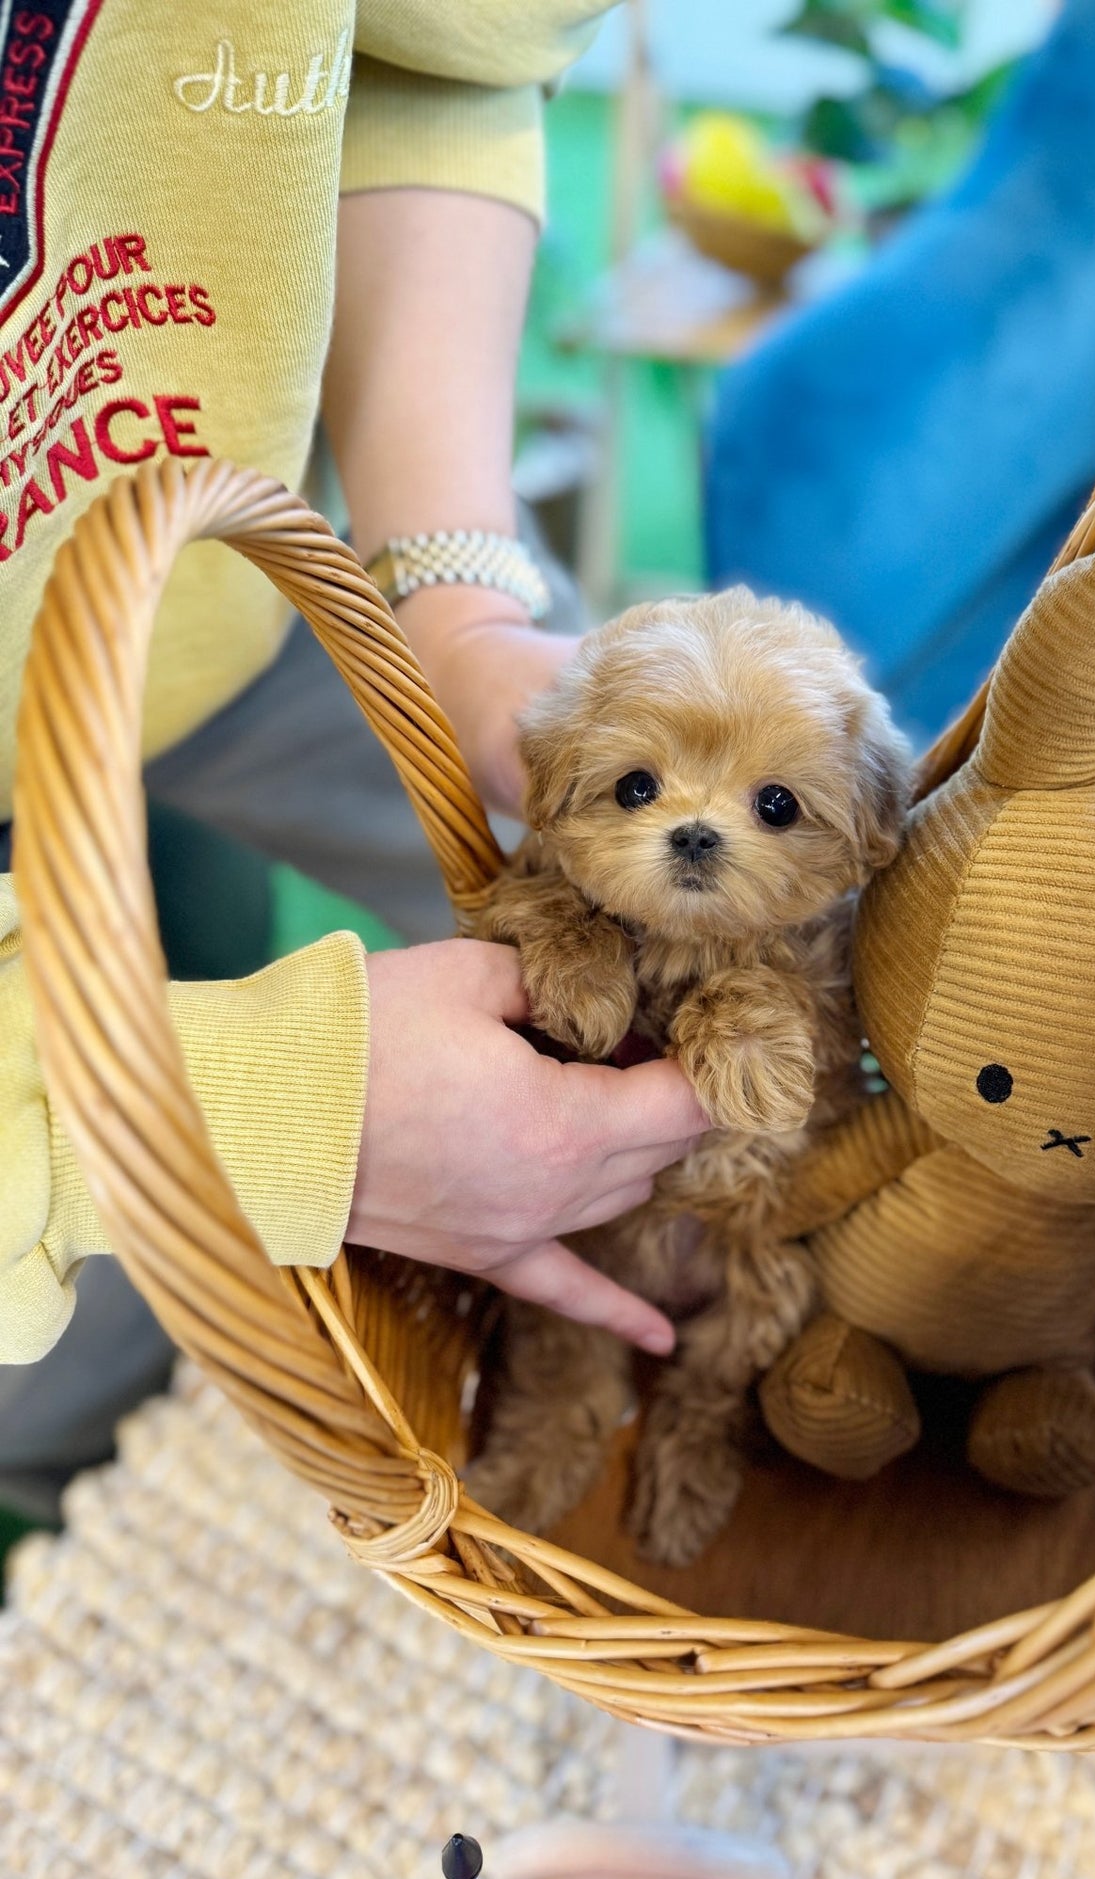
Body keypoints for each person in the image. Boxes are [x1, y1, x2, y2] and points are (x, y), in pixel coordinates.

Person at [0, 2, 709, 1519]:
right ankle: (65, 1470)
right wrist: (268, 1113)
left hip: (232, 596)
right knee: (45, 1380)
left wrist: (455, 604)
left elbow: (422, 55)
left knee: (632, 927)